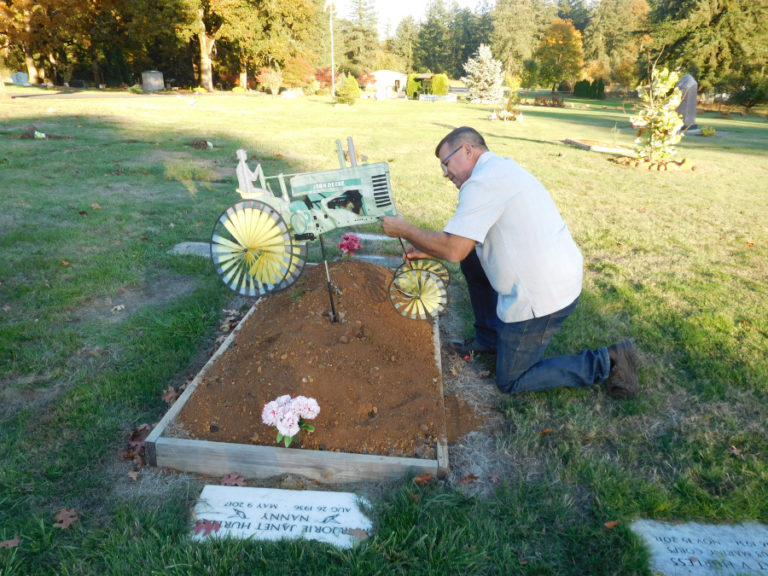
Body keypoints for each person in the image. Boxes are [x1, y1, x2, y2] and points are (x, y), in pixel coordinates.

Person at [381, 126, 637, 397]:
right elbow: (464, 242)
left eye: (446, 163)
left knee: (511, 381)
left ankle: (608, 360)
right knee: (470, 259)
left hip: (542, 296)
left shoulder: (483, 183)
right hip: (556, 272)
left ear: (467, 149)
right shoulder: (498, 170)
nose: (445, 172)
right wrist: (432, 249)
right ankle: (489, 338)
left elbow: (454, 250)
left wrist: (406, 230)